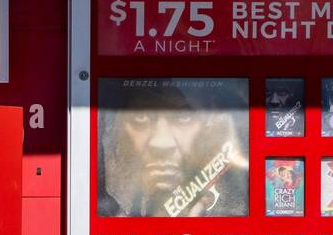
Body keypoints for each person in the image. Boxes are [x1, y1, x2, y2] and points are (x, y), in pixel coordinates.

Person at [98, 79, 248, 217]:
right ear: (116, 128)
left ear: (211, 123)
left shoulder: (234, 195)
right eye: (141, 116)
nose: (161, 143)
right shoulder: (109, 205)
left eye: (183, 116)